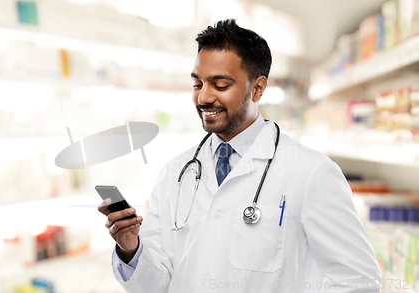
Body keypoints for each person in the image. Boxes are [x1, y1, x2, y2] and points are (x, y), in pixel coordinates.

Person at [98, 19, 382, 293]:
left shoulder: (311, 173)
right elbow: (155, 284)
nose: (203, 98)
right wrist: (130, 248)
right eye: (198, 84)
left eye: (220, 85)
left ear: (257, 88)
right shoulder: (175, 173)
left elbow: (360, 280)